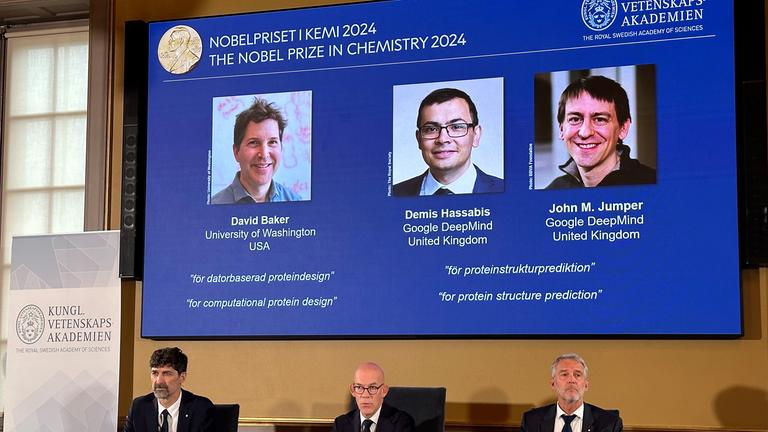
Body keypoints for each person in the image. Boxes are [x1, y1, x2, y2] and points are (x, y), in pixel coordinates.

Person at [546, 75, 656, 188]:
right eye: (575, 119)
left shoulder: (652, 184)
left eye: (600, 119)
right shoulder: (553, 192)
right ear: (561, 129)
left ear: (623, 128)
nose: (585, 132)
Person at [393, 88, 503, 196]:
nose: (442, 139)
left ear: (476, 135)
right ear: (418, 139)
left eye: (456, 127)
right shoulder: (394, 194)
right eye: (431, 129)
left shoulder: (507, 191)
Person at [211, 97, 302, 204]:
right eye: (253, 142)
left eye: (272, 142)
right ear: (236, 152)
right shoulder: (214, 206)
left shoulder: (296, 202)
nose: (264, 154)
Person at [520, 354, 623, 432]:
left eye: (577, 375)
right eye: (564, 374)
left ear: (586, 385)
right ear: (553, 384)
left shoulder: (609, 423)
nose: (571, 380)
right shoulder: (531, 420)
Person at [124, 347, 215, 432]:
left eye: (167, 374)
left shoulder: (201, 409)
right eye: (155, 373)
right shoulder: (139, 407)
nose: (159, 381)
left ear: (182, 377)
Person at [332, 362, 415, 432]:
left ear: (384, 391)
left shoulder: (401, 423)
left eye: (372, 388)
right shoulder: (340, 425)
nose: (365, 395)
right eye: (359, 387)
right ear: (353, 390)